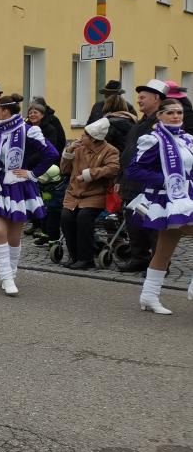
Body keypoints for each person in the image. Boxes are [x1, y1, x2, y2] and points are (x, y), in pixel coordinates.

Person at [0, 93, 59, 296]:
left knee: (14, 235)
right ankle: (6, 276)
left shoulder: (28, 131)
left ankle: (11, 273)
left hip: (18, 186)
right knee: (0, 232)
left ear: (6, 111)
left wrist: (32, 173)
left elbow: (52, 154)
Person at [124, 98, 193, 313]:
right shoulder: (153, 140)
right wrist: (164, 179)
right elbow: (133, 171)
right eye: (170, 112)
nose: (175, 116)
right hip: (166, 199)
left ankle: (149, 296)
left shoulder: (187, 140)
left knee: (163, 250)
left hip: (186, 198)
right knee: (164, 249)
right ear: (159, 115)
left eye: (179, 113)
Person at [118, 79, 167, 273]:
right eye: (139, 96)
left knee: (152, 224)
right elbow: (128, 152)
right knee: (133, 222)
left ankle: (159, 261)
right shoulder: (139, 123)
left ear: (156, 98)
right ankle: (139, 257)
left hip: (148, 182)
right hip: (131, 182)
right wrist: (119, 178)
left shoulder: (161, 124)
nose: (138, 100)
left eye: (143, 96)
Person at [59, 118, 119, 269]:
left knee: (83, 218)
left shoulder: (110, 150)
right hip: (74, 194)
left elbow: (113, 168)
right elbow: (64, 170)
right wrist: (68, 152)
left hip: (96, 194)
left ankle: (86, 258)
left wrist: (90, 174)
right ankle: (74, 256)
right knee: (66, 218)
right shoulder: (78, 148)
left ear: (93, 138)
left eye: (84, 135)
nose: (80, 138)